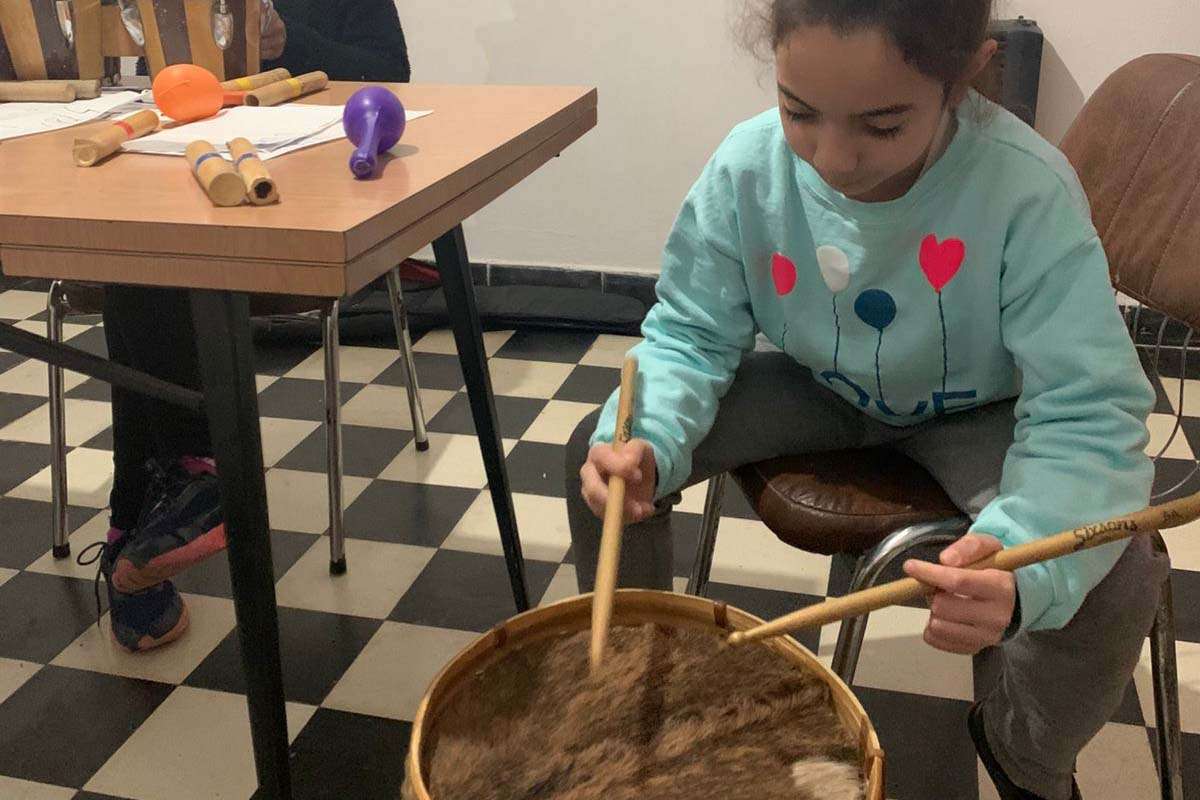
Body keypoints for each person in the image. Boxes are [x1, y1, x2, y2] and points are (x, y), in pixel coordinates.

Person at [565, 2, 1166, 799]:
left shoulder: (1025, 190)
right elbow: (690, 333)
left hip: (977, 413)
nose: (833, 158)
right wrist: (643, 437)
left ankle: (1025, 752)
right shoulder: (749, 167)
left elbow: (1088, 410)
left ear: (964, 77)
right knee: (605, 455)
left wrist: (1028, 568)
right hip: (818, 385)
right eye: (798, 112)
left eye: (882, 125)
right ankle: (638, 692)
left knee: (1118, 572)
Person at [89, 0, 412, 653]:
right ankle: (180, 489)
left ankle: (160, 499)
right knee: (138, 237)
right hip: (179, 172)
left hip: (299, 196)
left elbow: (392, 72)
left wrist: (291, 40)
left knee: (148, 255)